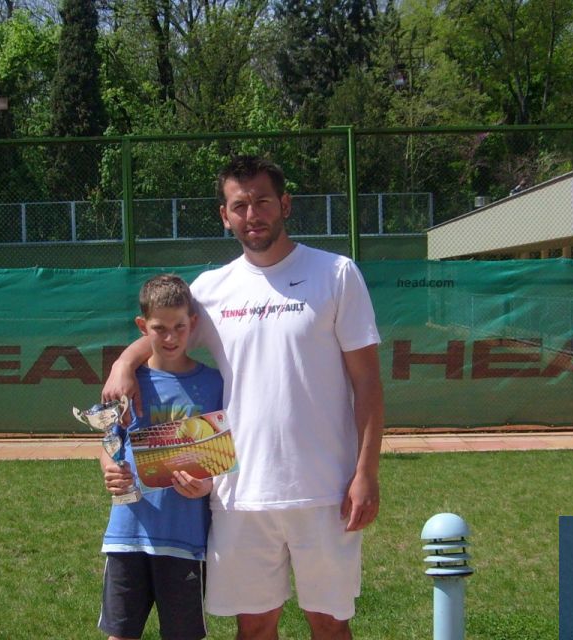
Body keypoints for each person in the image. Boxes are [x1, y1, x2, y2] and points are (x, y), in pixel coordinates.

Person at [102, 155, 384, 640]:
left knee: (330, 624)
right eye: (240, 205)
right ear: (224, 215)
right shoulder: (212, 289)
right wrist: (123, 364)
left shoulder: (336, 274)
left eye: (262, 201)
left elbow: (368, 384)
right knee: (253, 629)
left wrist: (366, 474)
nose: (252, 214)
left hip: (324, 492)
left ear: (285, 205)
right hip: (238, 493)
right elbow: (164, 332)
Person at [97, 273, 222, 640]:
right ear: (142, 327)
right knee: (120, 634)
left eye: (179, 327)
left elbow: (222, 455)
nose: (170, 338)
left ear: (193, 323)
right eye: (159, 328)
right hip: (127, 533)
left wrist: (207, 484)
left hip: (185, 538)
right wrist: (110, 468)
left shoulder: (214, 384)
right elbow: (109, 441)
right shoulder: (127, 382)